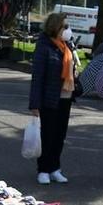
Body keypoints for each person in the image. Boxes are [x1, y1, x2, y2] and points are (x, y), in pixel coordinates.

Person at [28, 11, 78, 184]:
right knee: (47, 135)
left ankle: (55, 168)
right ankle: (43, 169)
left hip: (65, 97)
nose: (68, 30)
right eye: (65, 26)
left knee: (59, 135)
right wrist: (34, 104)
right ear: (55, 27)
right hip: (49, 98)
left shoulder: (67, 47)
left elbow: (71, 70)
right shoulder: (44, 46)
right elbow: (38, 77)